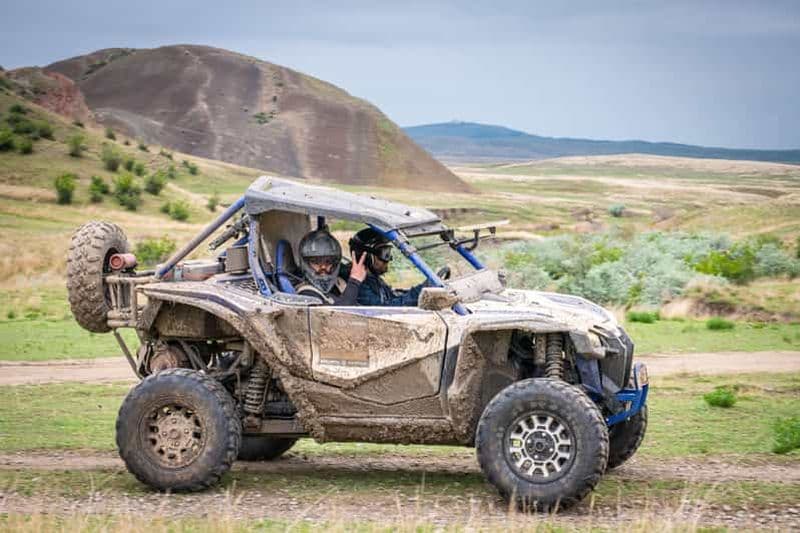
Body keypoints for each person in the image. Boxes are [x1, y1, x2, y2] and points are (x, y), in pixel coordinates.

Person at [348, 228, 427, 306]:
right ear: (367, 257)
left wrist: (423, 290)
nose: (389, 259)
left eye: (388, 253)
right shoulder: (359, 286)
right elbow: (384, 308)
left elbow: (393, 297)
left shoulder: (373, 279)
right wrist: (420, 292)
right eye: (385, 254)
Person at [296, 229, 367, 305]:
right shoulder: (306, 294)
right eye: (316, 262)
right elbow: (339, 315)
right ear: (306, 263)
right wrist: (354, 282)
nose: (323, 267)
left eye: (328, 261)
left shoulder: (339, 283)